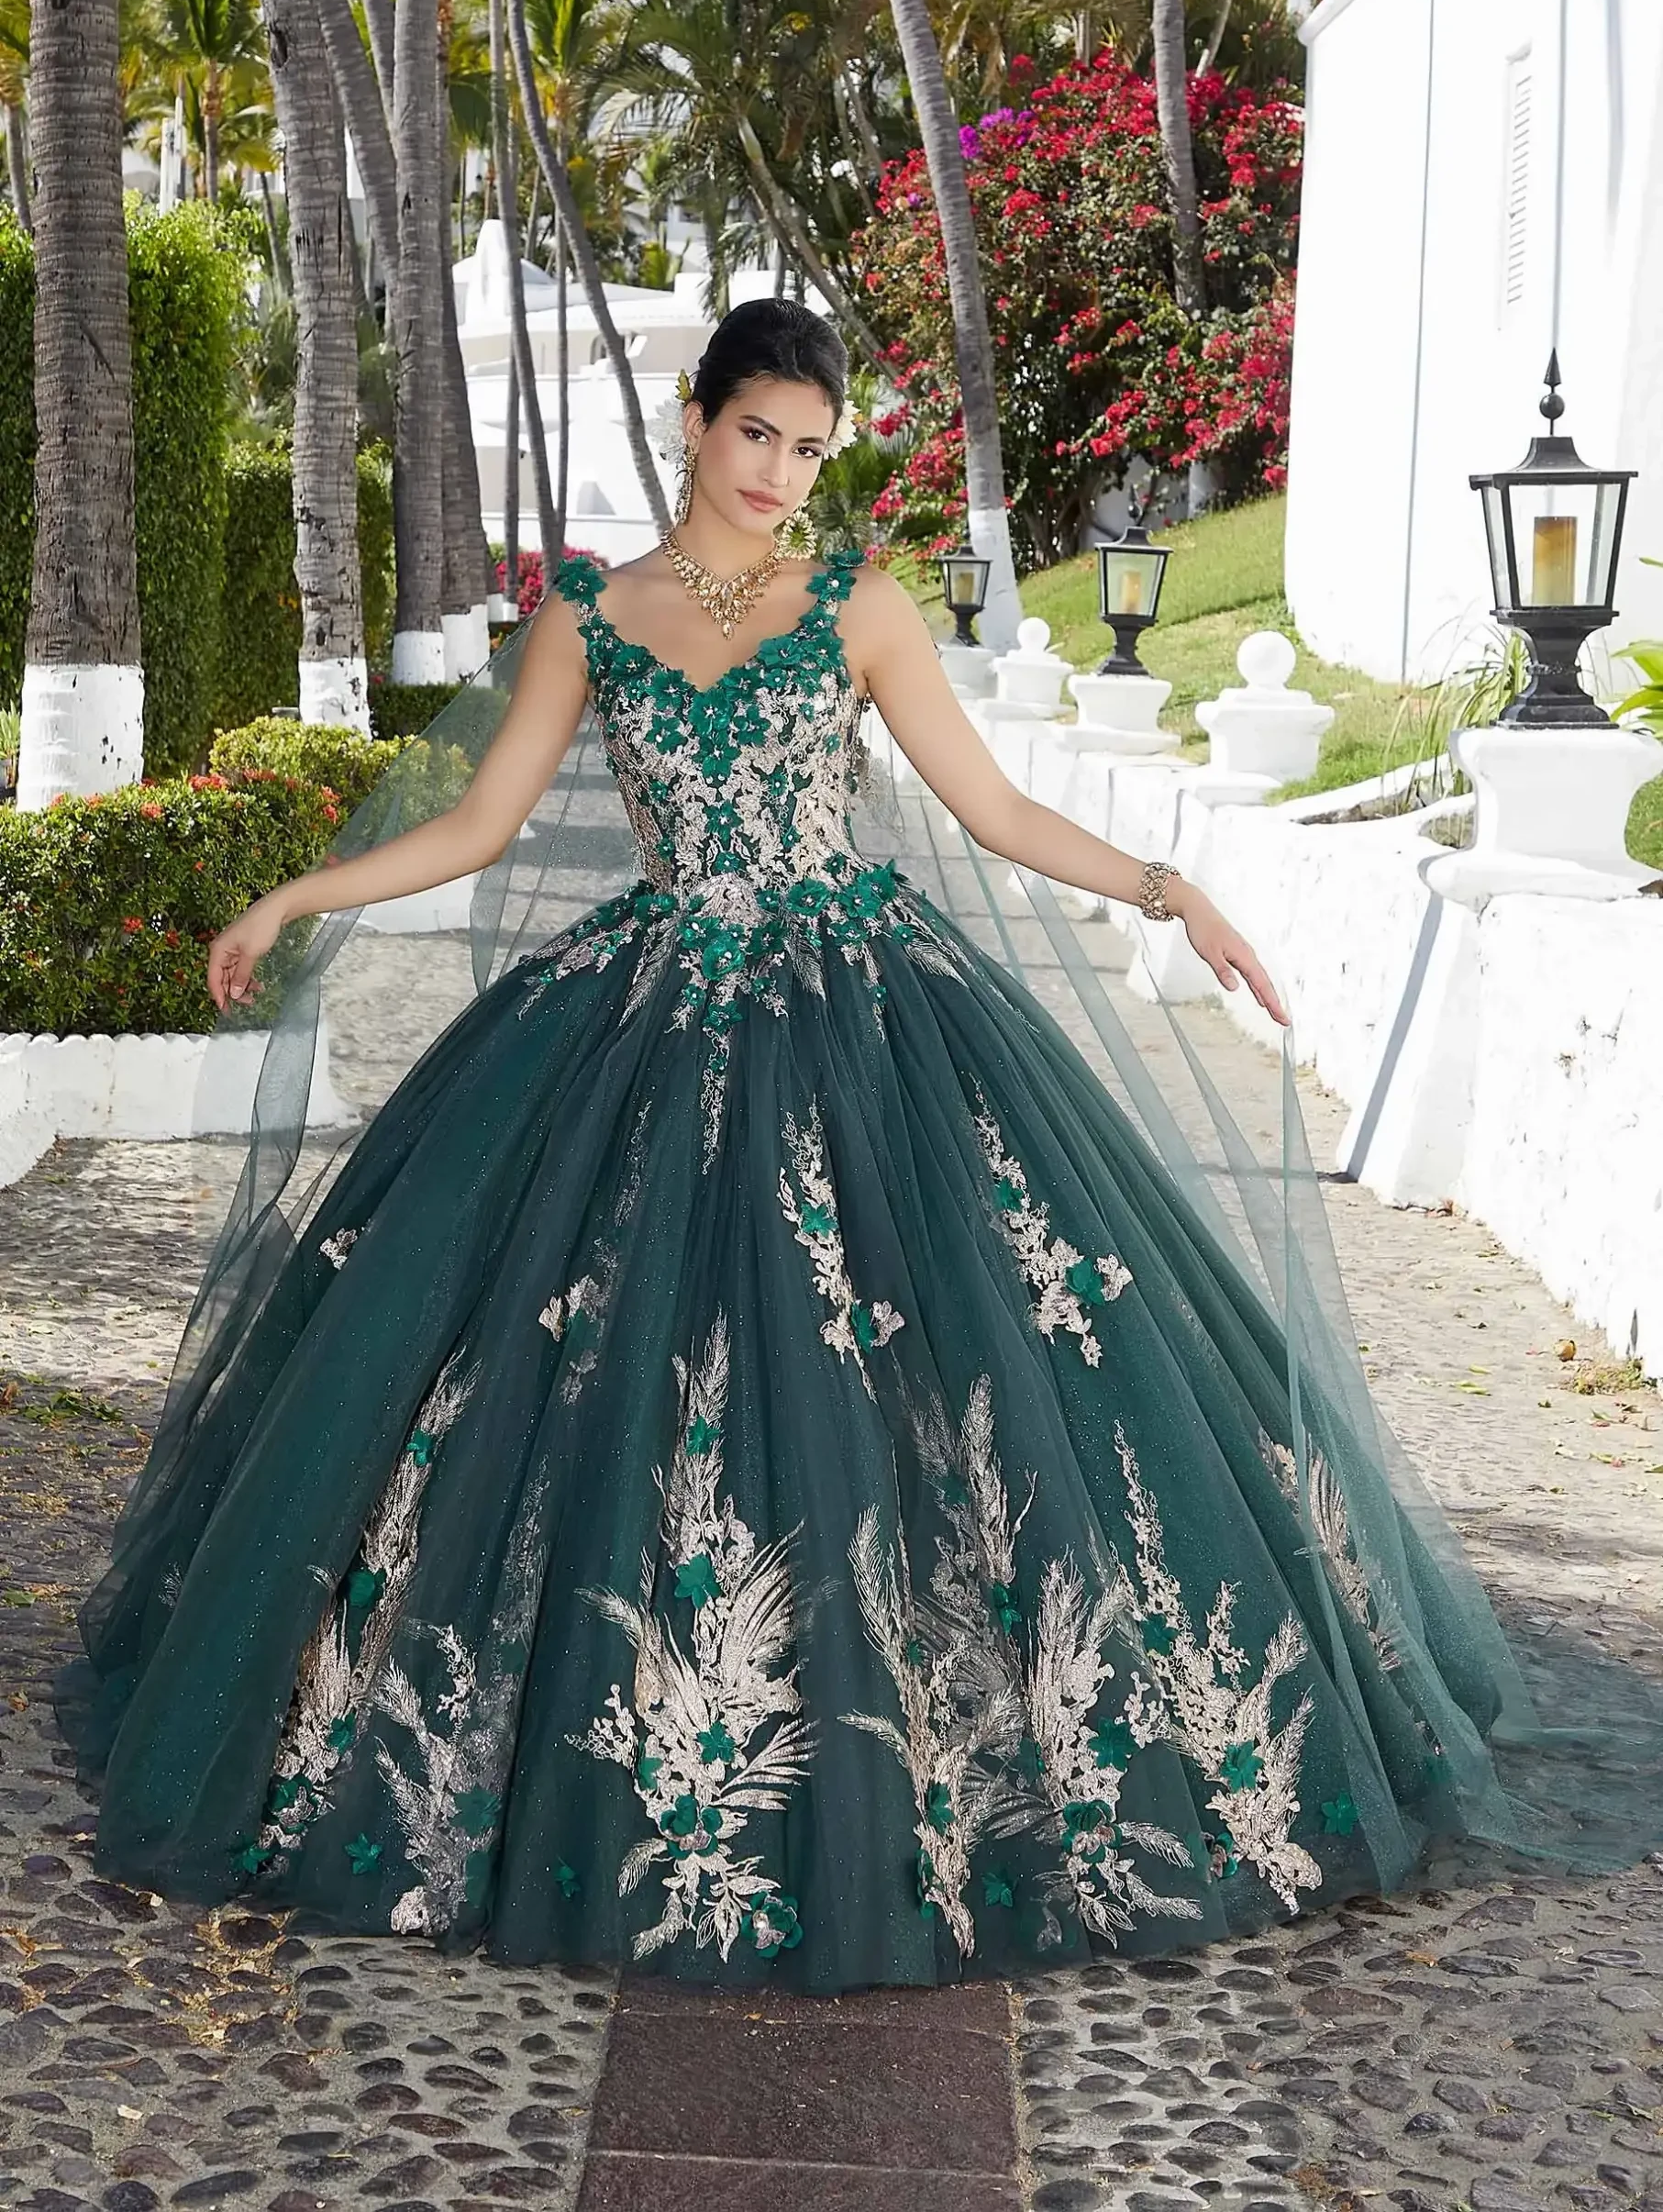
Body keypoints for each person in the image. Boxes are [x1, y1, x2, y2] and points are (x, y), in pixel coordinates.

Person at [51, 300, 1659, 1992]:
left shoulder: (861, 606)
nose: (783, 476)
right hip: (648, 1019)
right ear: (697, 417)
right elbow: (476, 823)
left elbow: (998, 811)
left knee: (949, 1374)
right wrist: (301, 889)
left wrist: (1169, 890)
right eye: (759, 435)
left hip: (870, 1017)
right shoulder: (588, 621)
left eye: (813, 449)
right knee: (599, 1388)